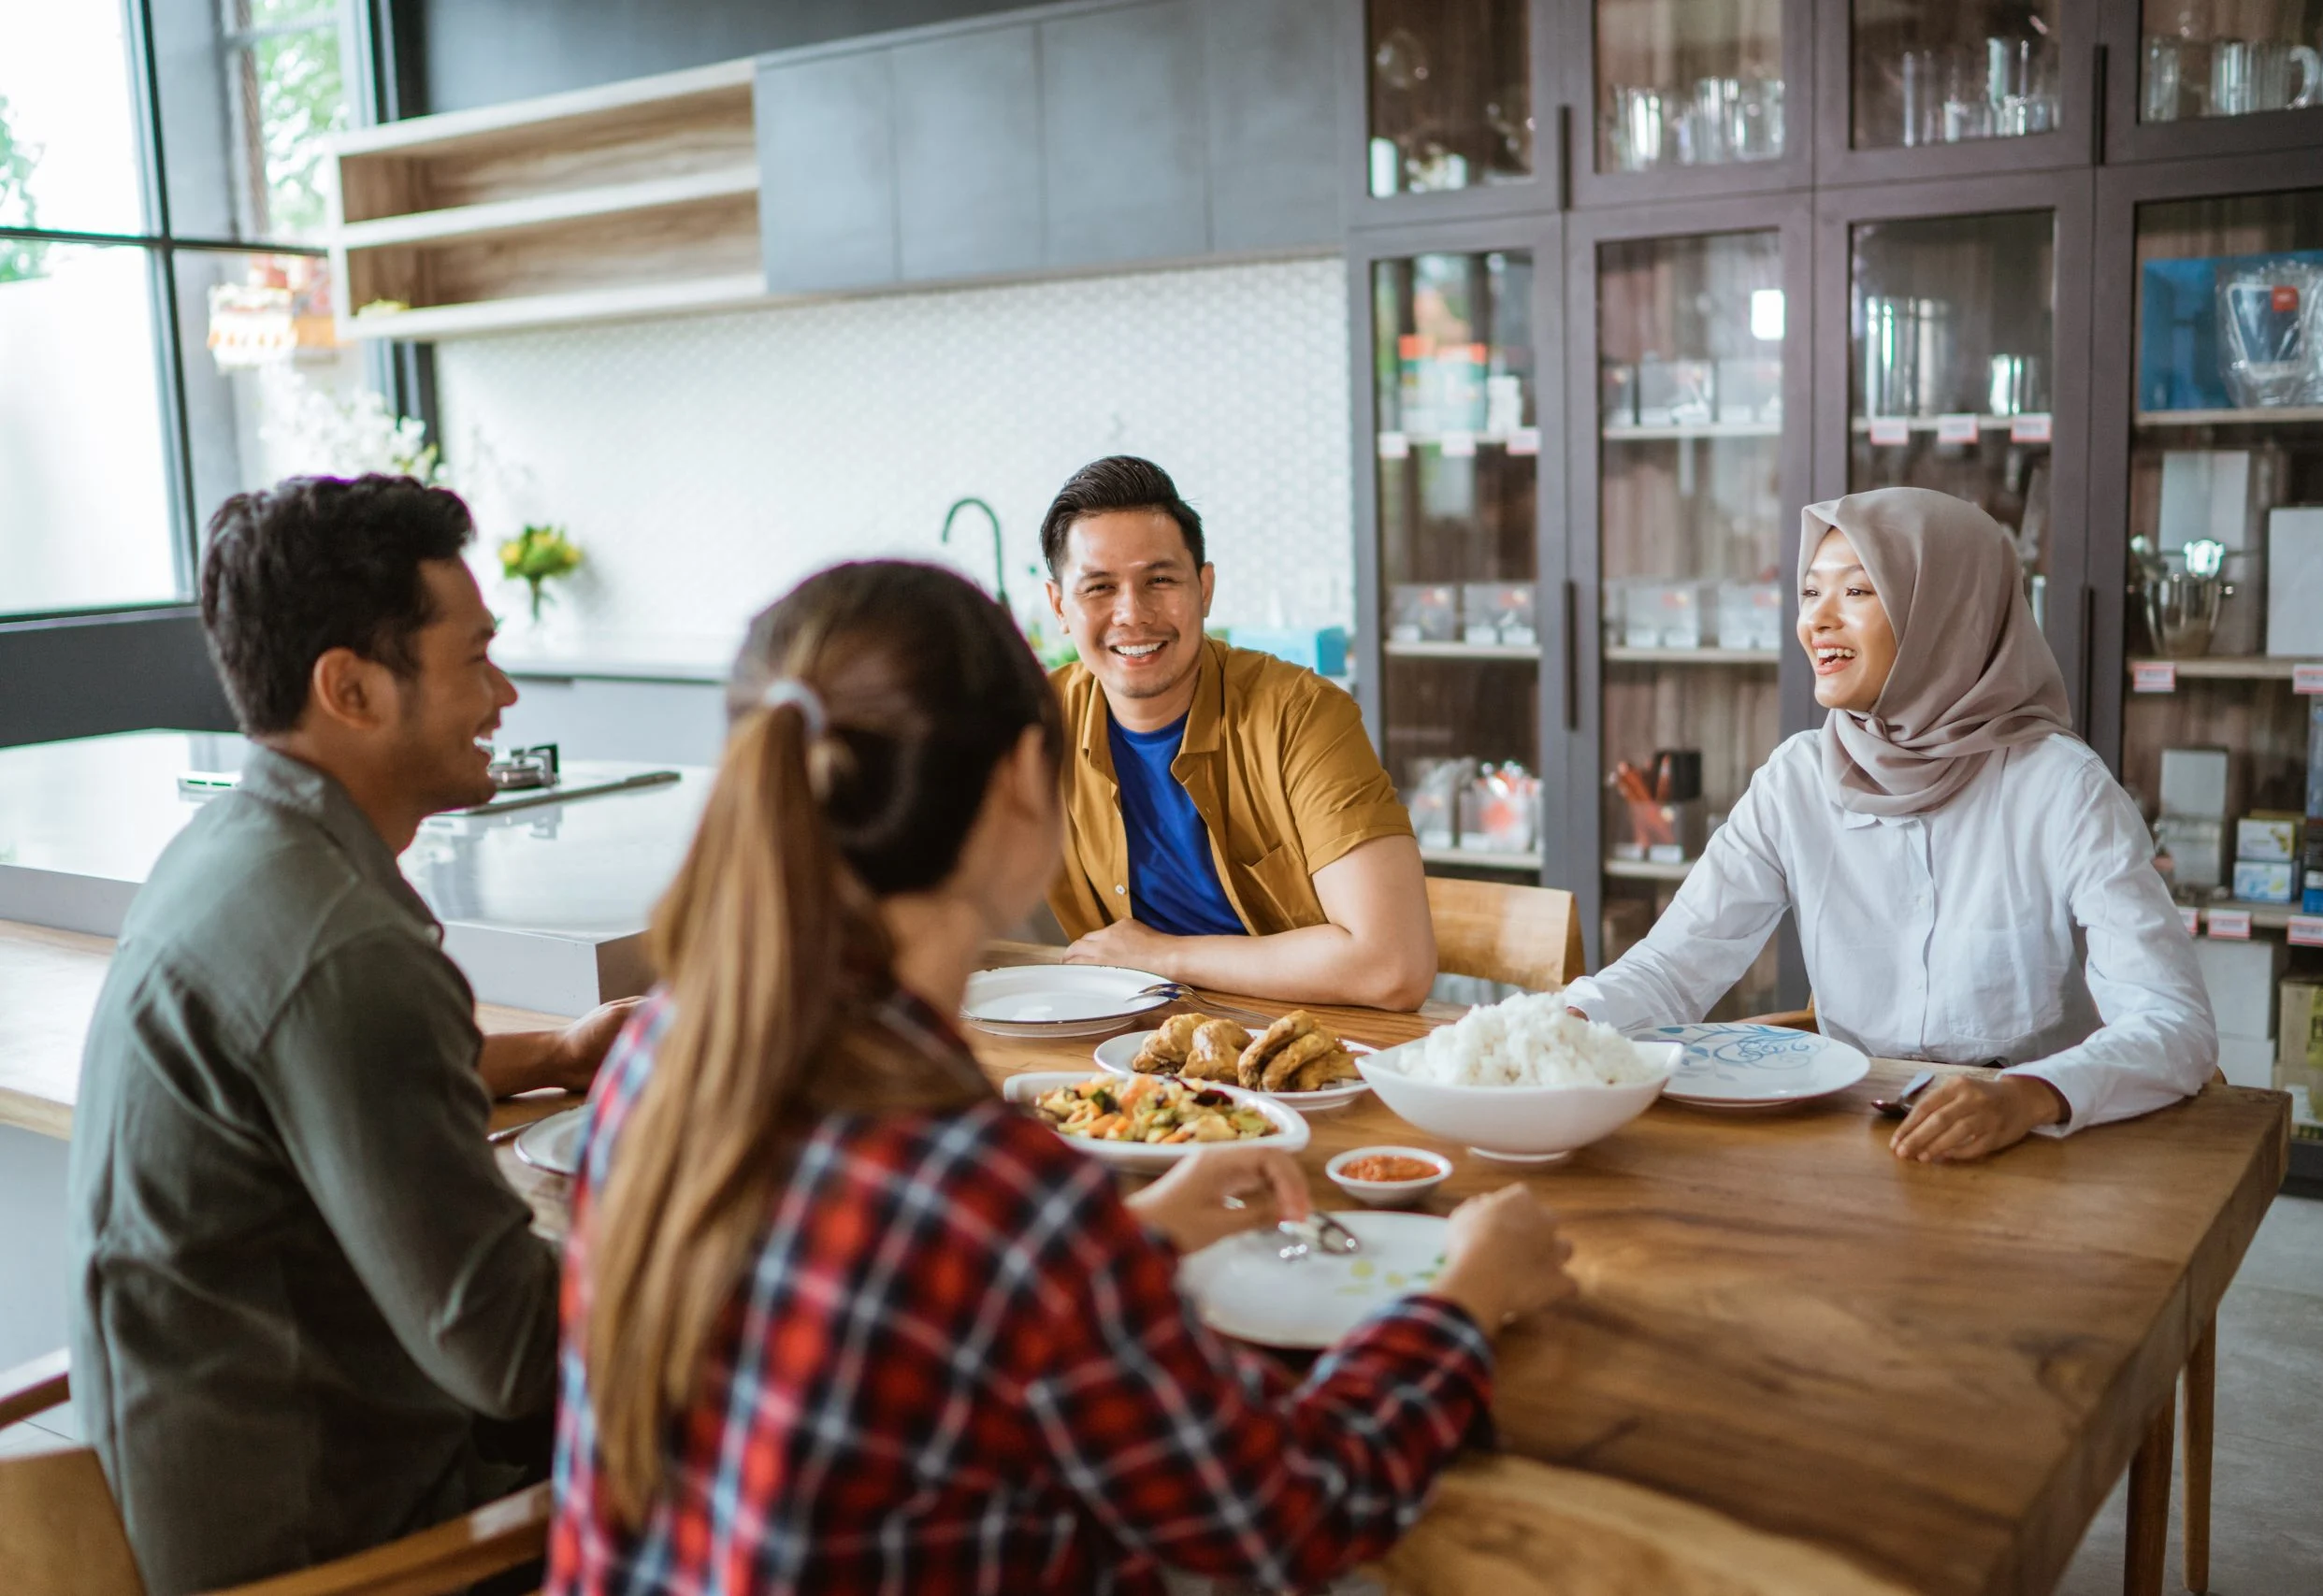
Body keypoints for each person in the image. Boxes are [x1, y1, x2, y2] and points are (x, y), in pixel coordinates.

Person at [547, 561, 1574, 1594]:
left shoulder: (663, 1050)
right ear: (1016, 785)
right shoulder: (994, 1193)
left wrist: (1123, 1242)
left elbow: (913, 1314)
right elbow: (1285, 1513)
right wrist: (1468, 1293)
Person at [66, 476, 632, 1595]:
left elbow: (334, 1082)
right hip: (342, 1548)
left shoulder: (234, 846)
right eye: (475, 658)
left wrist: (561, 1055)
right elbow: (514, 1355)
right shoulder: (342, 950)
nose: (505, 692)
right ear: (352, 689)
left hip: (209, 1478)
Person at [1565, 487, 2216, 1163]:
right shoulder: (1797, 779)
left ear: (1944, 613)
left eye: (1857, 592)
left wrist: (2029, 1094)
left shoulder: (2061, 787)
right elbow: (1675, 964)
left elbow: (2173, 1021)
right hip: (1856, 1136)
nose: (1817, 620)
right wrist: (1570, 1019)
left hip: (2034, 1140)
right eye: (1810, 591)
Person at [1039, 455, 1437, 1010]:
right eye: (1100, 587)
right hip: (1122, 1043)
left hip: (1308, 1047)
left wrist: (1161, 956)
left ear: (1205, 589)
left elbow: (1393, 967)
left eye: (1159, 579)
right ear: (1059, 606)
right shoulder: (1033, 724)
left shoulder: (1302, 715)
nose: (1132, 613)